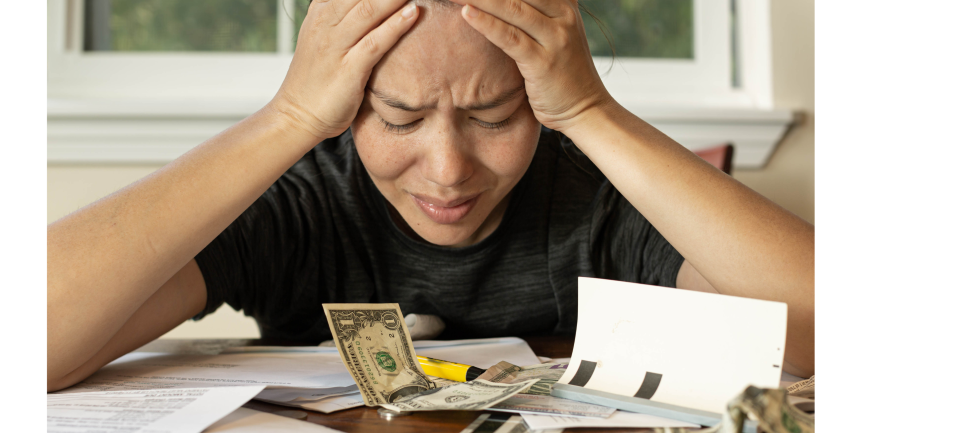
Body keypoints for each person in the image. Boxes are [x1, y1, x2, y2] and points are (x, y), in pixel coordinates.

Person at [48, 0, 815, 392]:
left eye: (494, 116)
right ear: (345, 108)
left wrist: (592, 113)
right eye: (399, 118)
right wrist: (287, 119)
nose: (448, 170)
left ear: (541, 97)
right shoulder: (302, 202)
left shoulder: (596, 195)